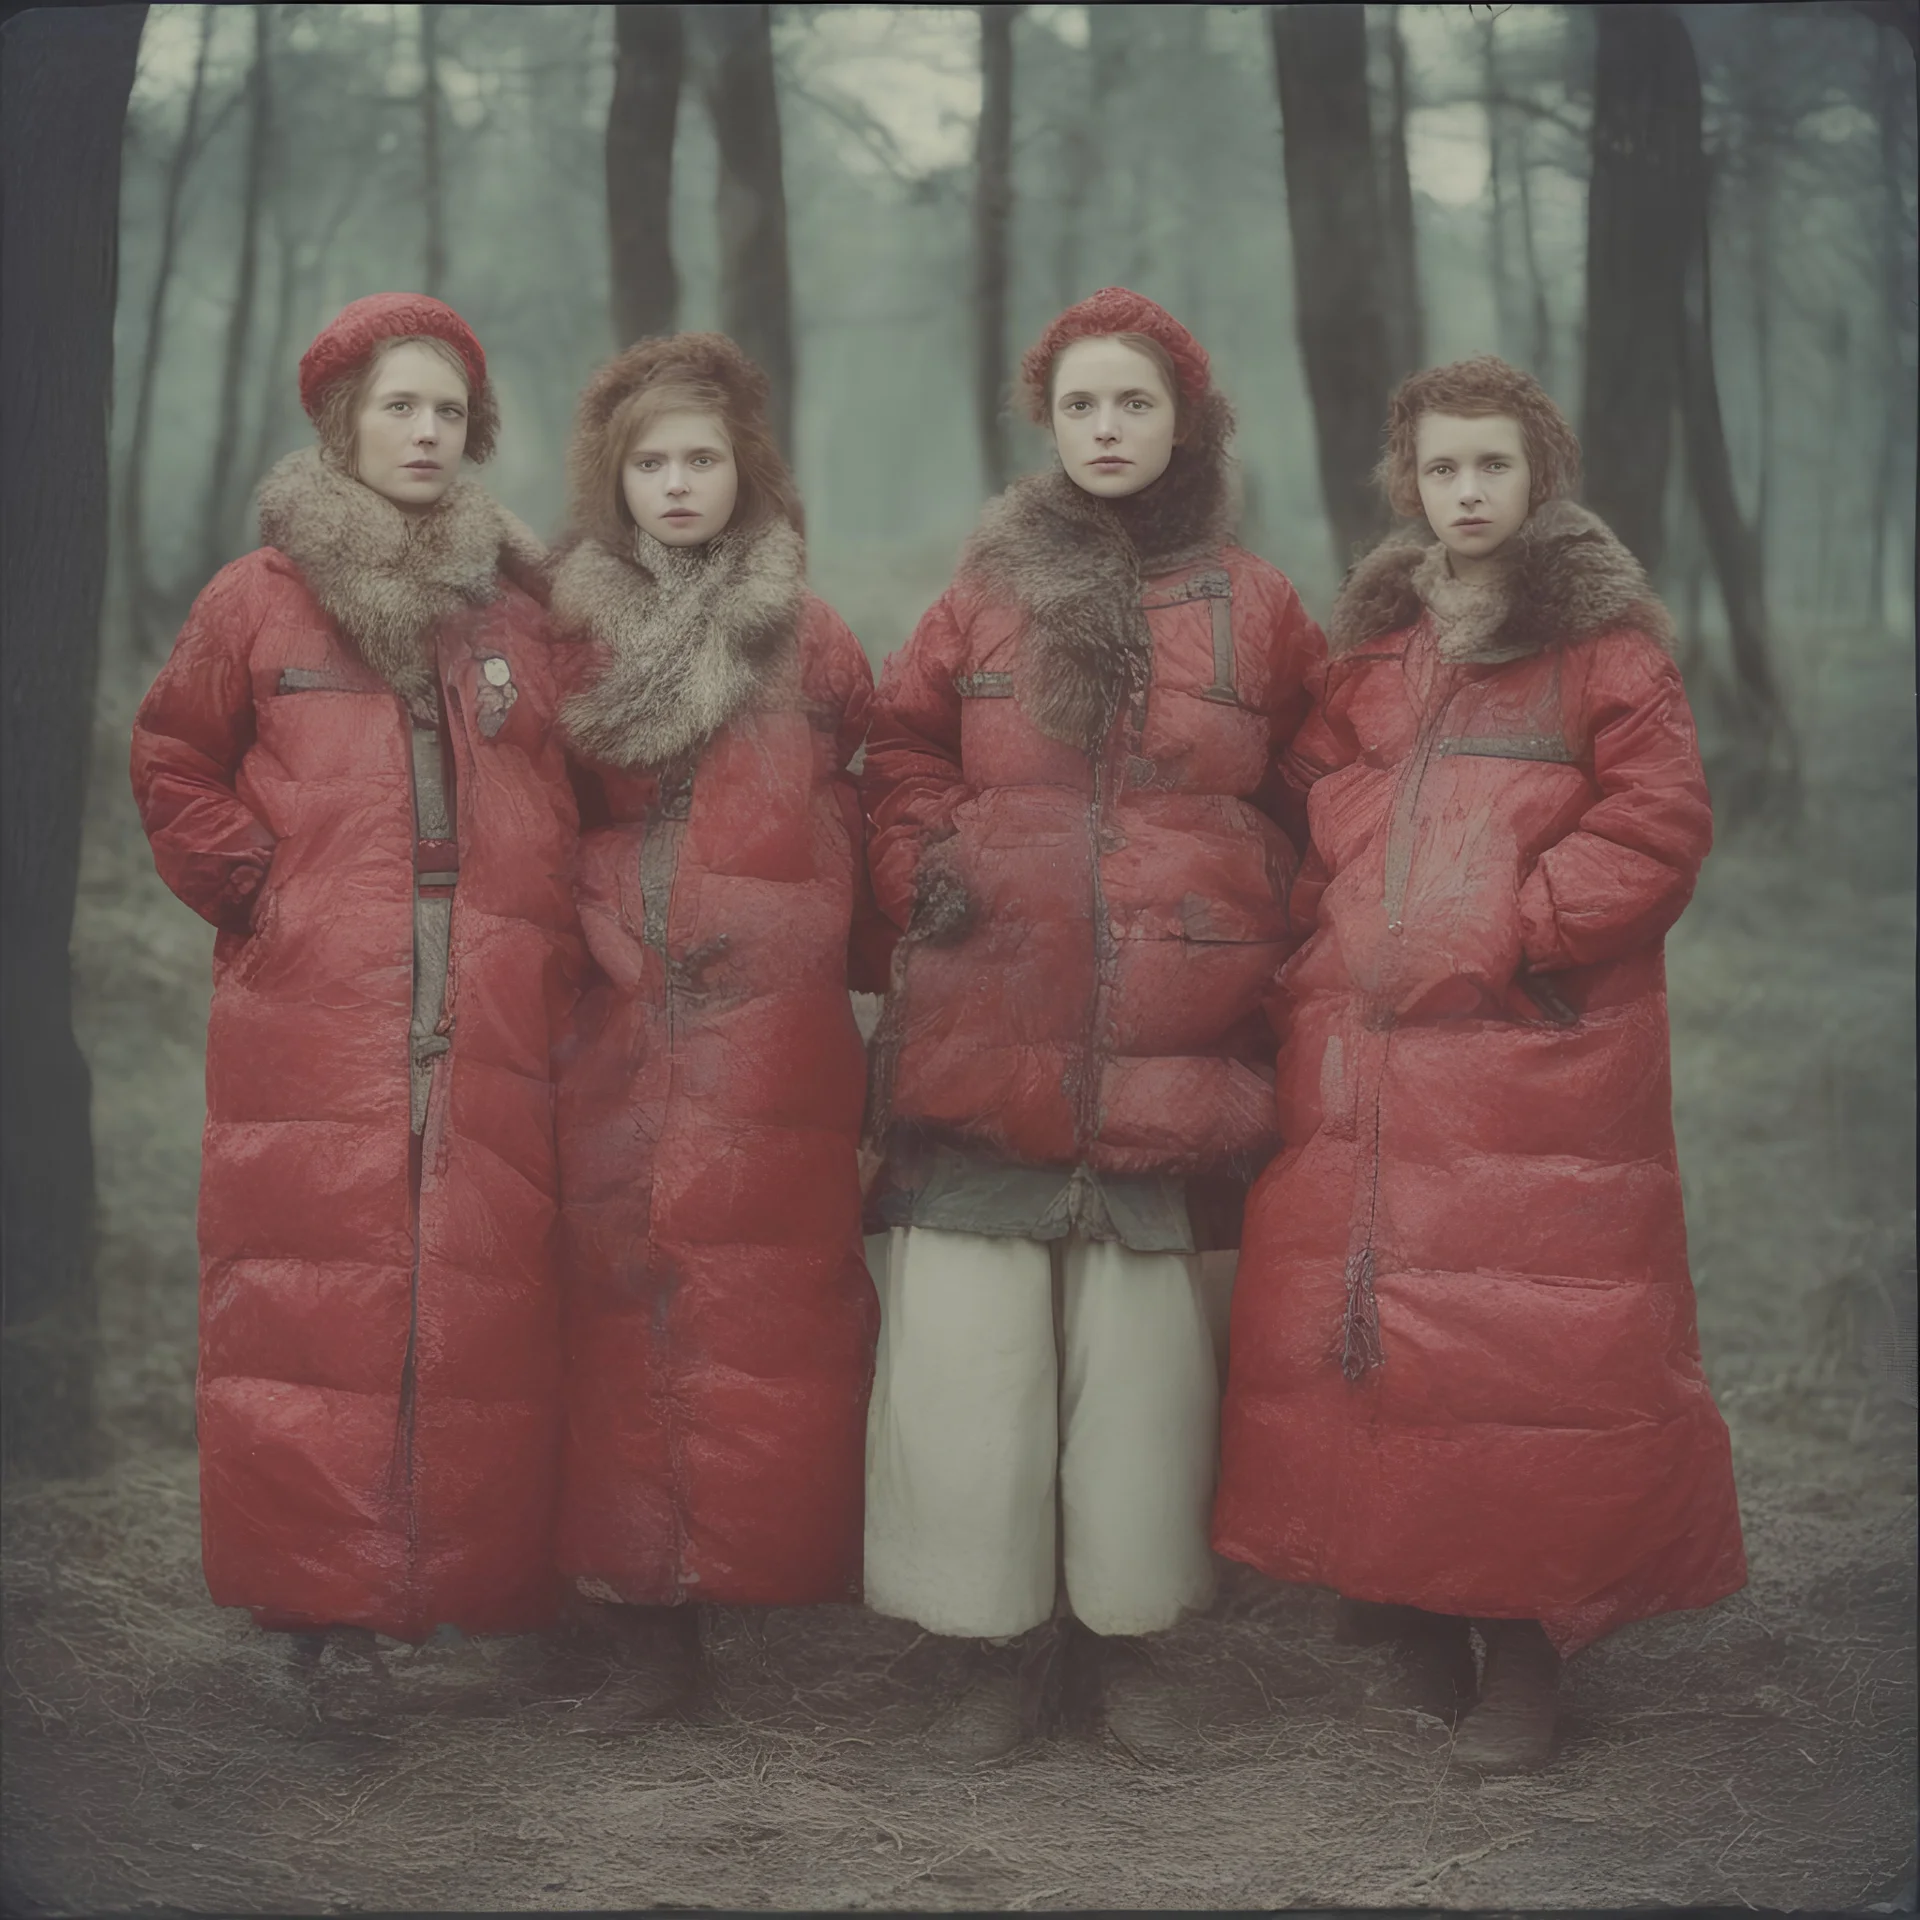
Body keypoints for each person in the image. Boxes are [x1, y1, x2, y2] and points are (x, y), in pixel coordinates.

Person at [1211, 355, 1747, 1774]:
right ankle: (1414, 1622)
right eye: (1442, 468)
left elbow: (1658, 827)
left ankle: (1525, 1652)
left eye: (1492, 466)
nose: (1466, 491)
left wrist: (1508, 929)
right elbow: (1314, 787)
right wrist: (1343, 920)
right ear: (1410, 482)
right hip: (1370, 1051)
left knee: (1523, 1351)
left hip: (1533, 1055)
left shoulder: (1611, 649)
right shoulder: (1377, 650)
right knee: (1388, 1336)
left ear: (1538, 476)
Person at [860, 287, 1326, 1757]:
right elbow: (900, 745)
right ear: (1047, 424)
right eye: (1080, 405)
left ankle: (1133, 1646)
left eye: (1134, 403)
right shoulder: (983, 588)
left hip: (1177, 1024)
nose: (1107, 429)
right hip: (993, 1003)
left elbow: (1315, 783)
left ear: (1185, 419)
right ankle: (985, 1643)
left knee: (1143, 1359)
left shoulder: (1258, 604)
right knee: (974, 1344)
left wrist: (1251, 907)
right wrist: (936, 867)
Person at [130, 293, 582, 1684]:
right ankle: (319, 1615)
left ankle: (458, 1588)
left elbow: (580, 775)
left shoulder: (517, 602)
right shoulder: (256, 598)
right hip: (317, 996)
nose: (427, 432)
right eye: (400, 405)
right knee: (318, 1305)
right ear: (342, 422)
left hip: (494, 986)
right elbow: (170, 760)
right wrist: (263, 892)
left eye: (449, 410)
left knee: (472, 1297)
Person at [547, 333, 882, 1708]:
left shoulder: (807, 633)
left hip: (773, 1028)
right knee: (619, 1295)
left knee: (768, 1303)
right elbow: (532, 807)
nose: (677, 484)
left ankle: (761, 1575)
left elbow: (865, 783)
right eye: (650, 463)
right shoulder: (562, 626)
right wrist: (599, 918)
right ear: (613, 481)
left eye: (701, 458)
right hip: (612, 1012)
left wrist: (822, 922)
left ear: (744, 471)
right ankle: (640, 1616)